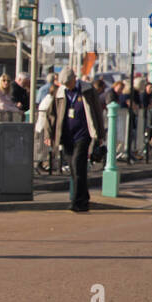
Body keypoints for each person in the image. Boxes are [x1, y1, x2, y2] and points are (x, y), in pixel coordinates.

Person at [45, 69, 105, 213]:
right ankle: (84, 199)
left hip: (83, 135)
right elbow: (51, 114)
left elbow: (97, 111)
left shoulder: (87, 90)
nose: (67, 86)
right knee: (74, 169)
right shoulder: (60, 92)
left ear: (75, 79)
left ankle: (77, 202)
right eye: (64, 84)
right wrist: (49, 134)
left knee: (78, 165)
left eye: (69, 83)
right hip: (66, 136)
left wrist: (100, 134)